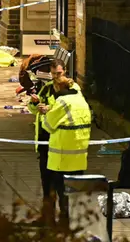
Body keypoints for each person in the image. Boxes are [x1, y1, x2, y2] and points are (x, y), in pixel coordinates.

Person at [25, 59, 81, 214]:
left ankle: (65, 215)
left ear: (65, 72)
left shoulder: (73, 88)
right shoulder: (47, 89)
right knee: (47, 182)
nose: (57, 77)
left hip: (62, 142)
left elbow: (76, 108)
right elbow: (33, 109)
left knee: (61, 182)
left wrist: (51, 109)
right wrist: (35, 103)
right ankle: (47, 215)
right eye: (54, 74)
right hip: (45, 143)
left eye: (59, 73)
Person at [41, 76, 91, 224]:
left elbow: (48, 125)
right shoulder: (81, 101)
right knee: (75, 192)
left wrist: (46, 113)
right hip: (79, 156)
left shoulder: (62, 102)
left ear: (58, 88)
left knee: (61, 191)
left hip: (61, 157)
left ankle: (63, 222)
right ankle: (74, 221)